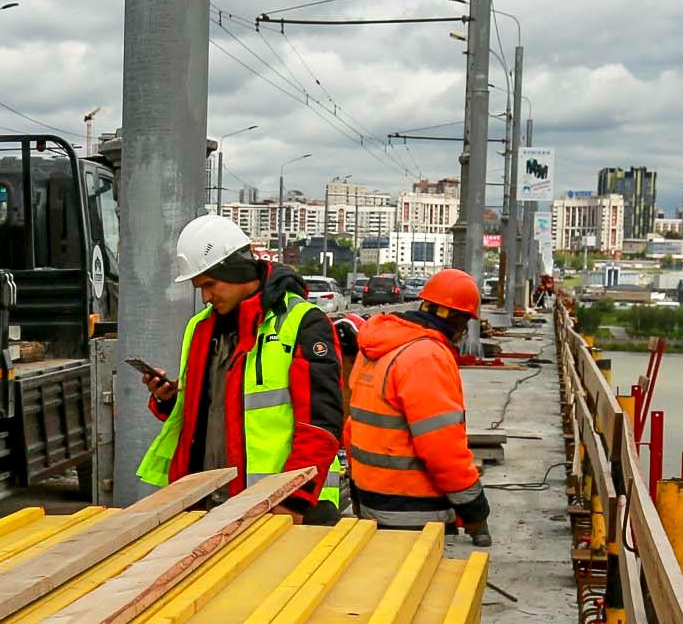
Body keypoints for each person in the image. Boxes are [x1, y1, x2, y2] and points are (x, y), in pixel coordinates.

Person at [136, 214, 344, 520]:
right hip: (208, 502)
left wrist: (294, 501)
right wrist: (167, 400)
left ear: (235, 270)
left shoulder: (302, 323)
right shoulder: (200, 327)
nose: (205, 297)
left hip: (282, 507)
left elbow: (320, 425)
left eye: (209, 284)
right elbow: (205, 411)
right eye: (199, 288)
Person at [343, 267, 490, 545]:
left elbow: (355, 428)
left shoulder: (377, 349)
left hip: (372, 501)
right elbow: (442, 447)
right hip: (415, 512)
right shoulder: (426, 356)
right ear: (459, 320)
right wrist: (475, 510)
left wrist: (356, 489)